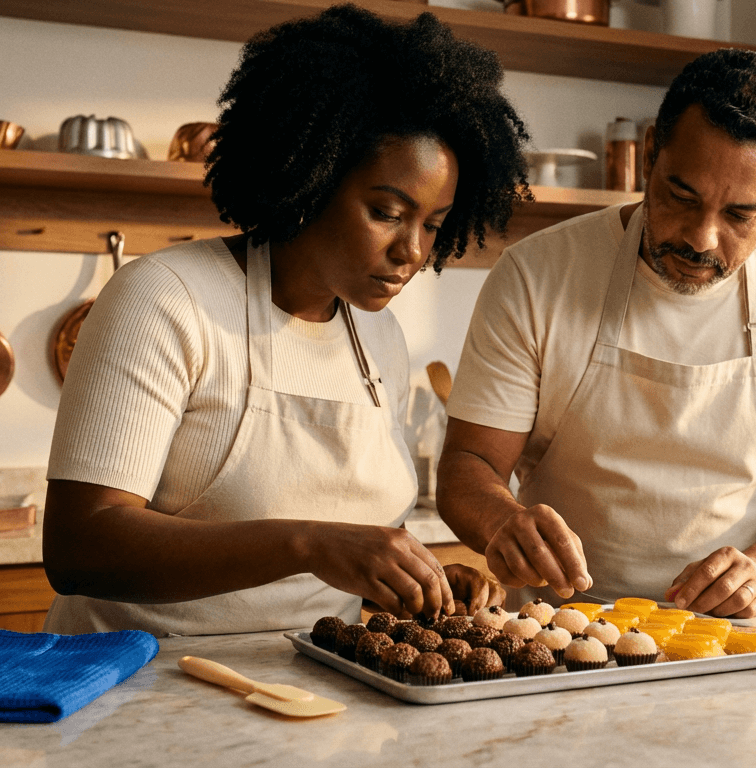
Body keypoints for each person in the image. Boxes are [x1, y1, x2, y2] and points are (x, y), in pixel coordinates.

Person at [42, 5, 529, 636]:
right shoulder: (165, 298)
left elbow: (353, 535)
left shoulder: (376, 335)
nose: (412, 252)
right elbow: (81, 547)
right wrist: (307, 545)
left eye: (433, 225)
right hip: (136, 684)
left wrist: (420, 575)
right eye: (386, 211)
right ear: (311, 175)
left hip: (313, 685)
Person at [437, 49, 756, 619]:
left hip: (724, 635)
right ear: (649, 156)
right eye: (681, 196)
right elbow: (468, 463)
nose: (702, 238)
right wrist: (502, 522)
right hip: (561, 630)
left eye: (741, 215)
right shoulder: (537, 274)